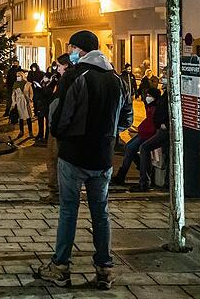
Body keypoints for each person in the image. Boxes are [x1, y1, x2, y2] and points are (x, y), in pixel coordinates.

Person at [38, 31, 132, 291]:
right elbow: (127, 119)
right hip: (103, 157)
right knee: (100, 212)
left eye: (71, 48)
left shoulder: (75, 76)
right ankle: (104, 268)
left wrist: (60, 132)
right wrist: (108, 134)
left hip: (74, 155)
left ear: (79, 49)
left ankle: (61, 267)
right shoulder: (117, 79)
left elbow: (61, 119)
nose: (70, 52)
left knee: (69, 210)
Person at [112, 87, 160, 187]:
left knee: (132, 148)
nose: (147, 98)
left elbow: (152, 123)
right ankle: (124, 174)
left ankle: (126, 175)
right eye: (147, 96)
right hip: (143, 132)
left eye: (149, 96)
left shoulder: (156, 108)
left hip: (148, 134)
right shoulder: (150, 106)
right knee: (129, 148)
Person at [41, 53, 72, 204]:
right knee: (56, 160)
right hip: (60, 126)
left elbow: (58, 104)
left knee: (54, 159)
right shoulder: (63, 80)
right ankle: (58, 192)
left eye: (59, 66)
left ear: (65, 66)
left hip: (59, 127)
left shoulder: (67, 81)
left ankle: (56, 193)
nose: (57, 69)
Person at [10, 70, 33, 139]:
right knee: (20, 118)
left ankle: (30, 132)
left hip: (26, 102)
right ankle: (21, 131)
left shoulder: (28, 84)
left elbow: (31, 92)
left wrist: (30, 99)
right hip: (19, 102)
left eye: (19, 76)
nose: (18, 77)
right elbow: (13, 94)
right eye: (17, 76)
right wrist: (14, 102)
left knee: (28, 117)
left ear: (22, 76)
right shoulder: (15, 84)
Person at [34, 72, 55, 143]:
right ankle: (40, 134)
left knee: (47, 121)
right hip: (40, 105)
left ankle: (47, 136)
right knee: (40, 121)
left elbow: (47, 94)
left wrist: (39, 89)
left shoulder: (51, 85)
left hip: (47, 105)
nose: (44, 78)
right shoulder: (41, 83)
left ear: (49, 78)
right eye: (44, 77)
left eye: (46, 77)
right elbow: (38, 95)